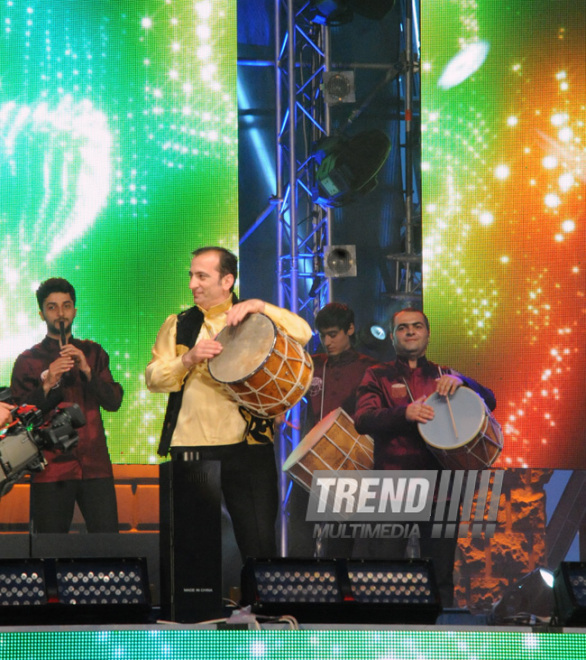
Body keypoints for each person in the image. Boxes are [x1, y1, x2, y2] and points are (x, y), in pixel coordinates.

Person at [145, 246, 312, 561]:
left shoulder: (254, 316)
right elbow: (153, 378)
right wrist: (188, 359)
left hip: (248, 447)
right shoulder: (178, 324)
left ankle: (262, 609)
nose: (193, 284)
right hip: (191, 445)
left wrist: (261, 305)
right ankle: (197, 612)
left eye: (202, 276)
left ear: (227, 281)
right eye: (192, 276)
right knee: (192, 550)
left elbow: (303, 333)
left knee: (259, 541)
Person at [354, 307, 496, 607]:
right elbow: (363, 420)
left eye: (417, 326)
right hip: (393, 487)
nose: (410, 331)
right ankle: (385, 635)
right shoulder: (377, 375)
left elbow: (491, 400)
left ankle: (439, 637)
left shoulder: (446, 375)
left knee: (440, 574)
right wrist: (403, 412)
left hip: (440, 490)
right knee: (386, 574)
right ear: (392, 337)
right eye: (402, 328)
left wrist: (464, 382)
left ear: (427, 335)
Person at [10, 277, 123, 533]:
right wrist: (47, 384)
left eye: (66, 305)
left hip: (95, 465)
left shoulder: (93, 353)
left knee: (108, 547)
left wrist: (86, 370)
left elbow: (114, 401)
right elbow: (18, 418)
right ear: (41, 314)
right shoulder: (28, 360)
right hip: (51, 469)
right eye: (52, 307)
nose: (60, 313)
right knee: (48, 550)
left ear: (75, 310)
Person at [288, 303, 379, 556]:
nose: (327, 341)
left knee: (340, 539)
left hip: (348, 461)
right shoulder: (312, 365)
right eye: (322, 335)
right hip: (313, 458)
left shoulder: (369, 367)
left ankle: (342, 590)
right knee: (299, 529)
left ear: (350, 329)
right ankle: (301, 589)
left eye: (333, 334)